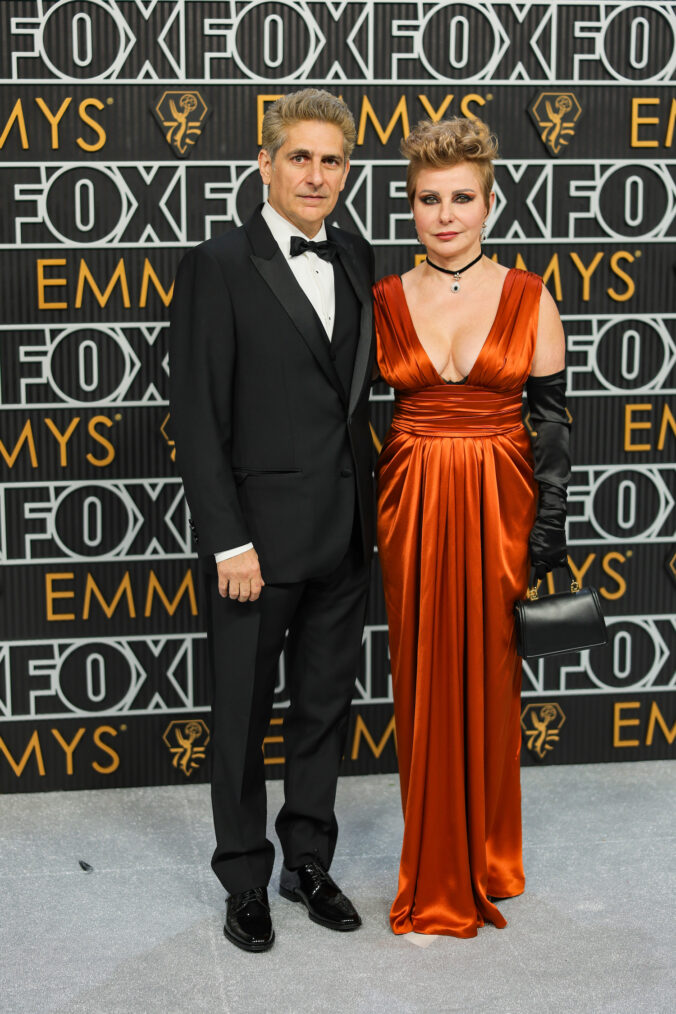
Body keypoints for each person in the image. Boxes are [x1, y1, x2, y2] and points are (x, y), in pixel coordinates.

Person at [169, 89, 376, 952]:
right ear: (265, 161)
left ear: (346, 171)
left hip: (344, 531)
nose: (316, 174)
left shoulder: (359, 252)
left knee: (324, 708)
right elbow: (196, 414)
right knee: (244, 716)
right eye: (301, 157)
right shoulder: (219, 261)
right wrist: (228, 539)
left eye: (332, 160)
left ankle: (308, 862)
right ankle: (244, 876)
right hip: (254, 544)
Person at [374, 117, 570, 938]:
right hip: (411, 500)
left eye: (462, 198)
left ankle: (488, 853)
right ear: (411, 206)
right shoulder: (385, 298)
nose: (445, 214)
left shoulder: (530, 295)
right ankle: (433, 863)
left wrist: (548, 529)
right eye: (429, 199)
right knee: (419, 680)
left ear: (491, 203)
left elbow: (552, 423)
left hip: (501, 503)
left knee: (492, 680)